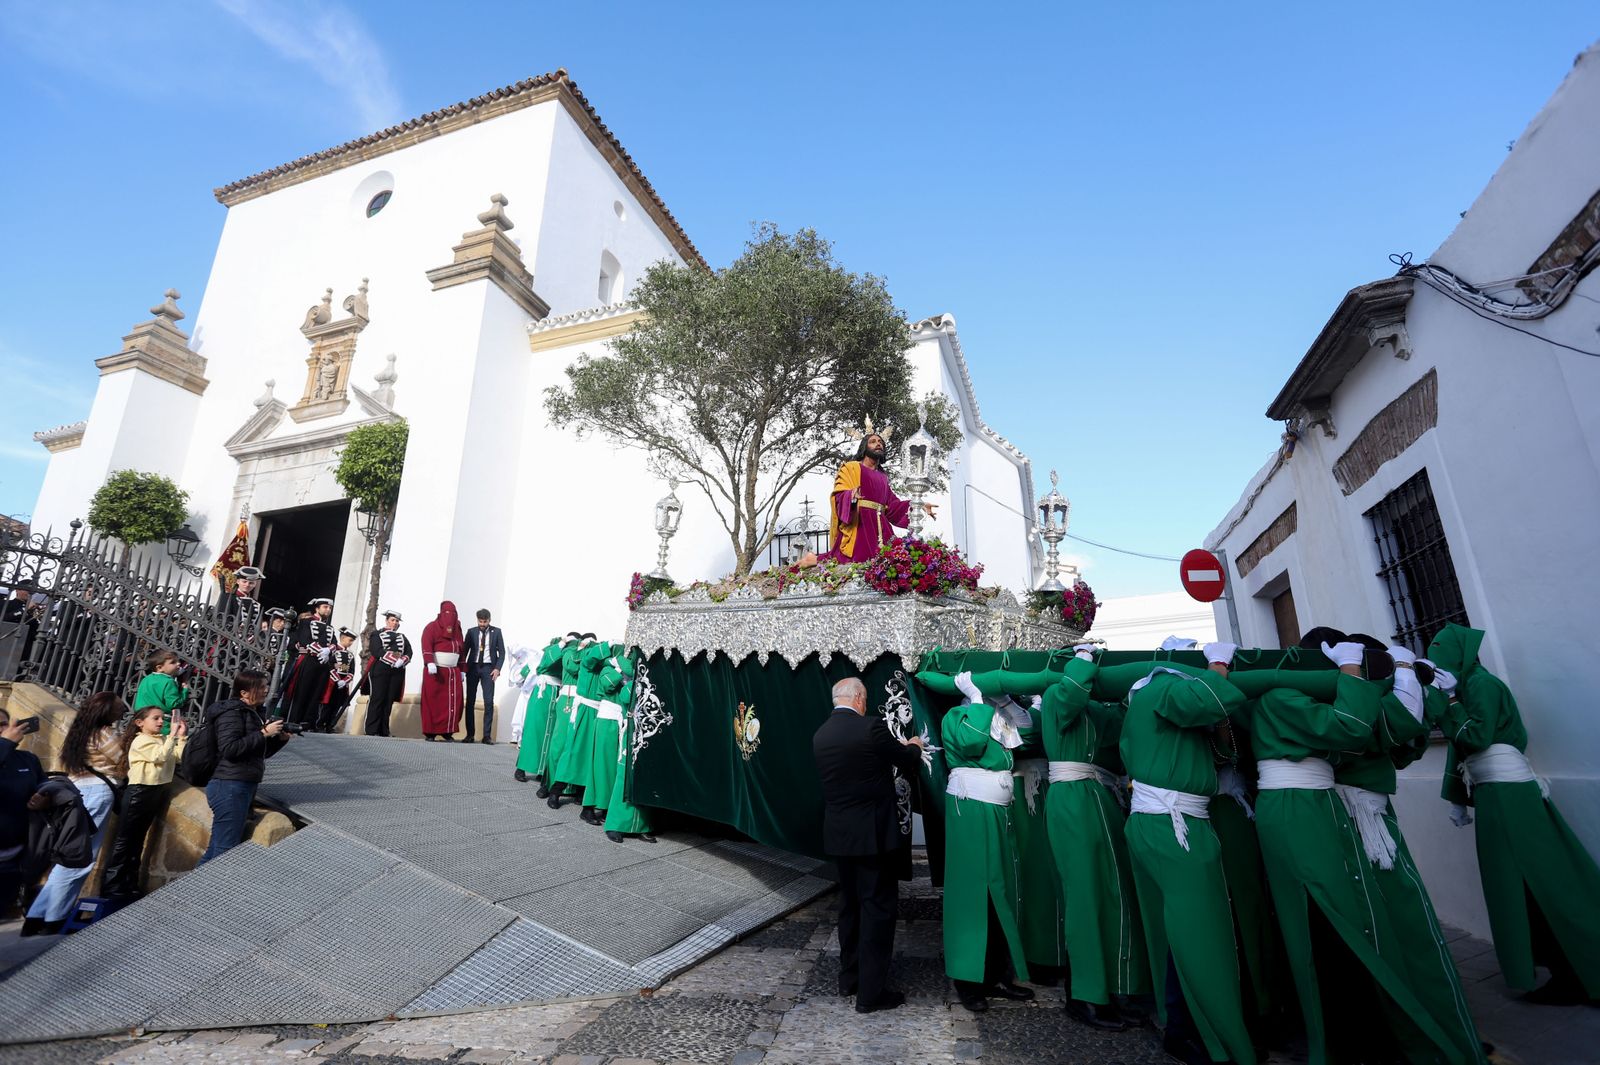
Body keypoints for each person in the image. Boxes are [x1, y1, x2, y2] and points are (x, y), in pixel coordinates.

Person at [1246, 631, 1463, 1065]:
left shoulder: (1329, 696)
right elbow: (1363, 728)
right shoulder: (1298, 698)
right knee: (1353, 927)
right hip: (1327, 812)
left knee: (1363, 926)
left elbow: (1396, 741)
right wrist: (1397, 676)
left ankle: (1390, 1020)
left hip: (1336, 810)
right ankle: (1379, 1027)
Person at [1426, 622, 1600, 1006]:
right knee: (1522, 885)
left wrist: (1451, 703)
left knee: (1541, 884)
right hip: (1497, 793)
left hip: (1507, 795)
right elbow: (1465, 747)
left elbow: (1476, 737)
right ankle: (1566, 969)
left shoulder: (1480, 686)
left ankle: (1580, 970)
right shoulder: (1471, 686)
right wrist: (1456, 793)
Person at [1118, 645, 1255, 1065]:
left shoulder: (1154, 698)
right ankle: (1196, 1031)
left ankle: (1184, 1022)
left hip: (1169, 821)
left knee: (1185, 933)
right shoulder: (1164, 687)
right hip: (1173, 826)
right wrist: (1218, 666)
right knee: (1201, 933)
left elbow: (1222, 750)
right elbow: (1219, 697)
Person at [1039, 646, 1148, 1031]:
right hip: (1071, 799)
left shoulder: (1092, 708)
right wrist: (1083, 659)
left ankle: (1117, 986)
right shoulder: (1057, 697)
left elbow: (1116, 724)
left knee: (1113, 893)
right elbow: (1069, 695)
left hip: (1097, 795)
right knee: (1084, 895)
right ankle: (1085, 995)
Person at [812, 676, 926, 1013]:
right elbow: (903, 758)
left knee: (850, 908)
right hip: (873, 838)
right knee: (877, 910)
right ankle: (871, 995)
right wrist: (916, 744)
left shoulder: (821, 735)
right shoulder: (871, 728)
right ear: (860, 699)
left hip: (839, 836)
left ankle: (849, 980)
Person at [929, 669, 1035, 1013]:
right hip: (971, 810)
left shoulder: (997, 718)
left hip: (998, 812)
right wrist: (976, 699)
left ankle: (999, 974)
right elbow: (972, 742)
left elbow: (1029, 737)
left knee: (1002, 893)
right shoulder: (957, 715)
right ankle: (969, 980)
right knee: (973, 896)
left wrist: (1004, 701)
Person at [20, 692, 127, 936]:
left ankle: (38, 917)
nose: (122, 711)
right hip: (98, 792)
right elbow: (123, 762)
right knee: (79, 859)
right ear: (107, 711)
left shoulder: (79, 732)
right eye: (119, 708)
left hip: (78, 789)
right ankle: (54, 919)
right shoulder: (103, 733)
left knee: (68, 856)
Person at [200, 670, 290, 863]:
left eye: (266, 685)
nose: (267, 690)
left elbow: (257, 753)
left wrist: (279, 740)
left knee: (217, 848)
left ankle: (192, 889)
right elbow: (230, 749)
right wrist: (264, 733)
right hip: (229, 786)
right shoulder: (232, 713)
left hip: (240, 784)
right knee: (224, 851)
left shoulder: (253, 713)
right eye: (262, 687)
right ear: (244, 693)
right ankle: (204, 891)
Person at [101, 705, 187, 901]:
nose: (160, 722)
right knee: (125, 841)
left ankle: (129, 883)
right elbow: (160, 756)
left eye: (162, 719)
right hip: (139, 792)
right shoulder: (141, 740)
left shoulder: (162, 739)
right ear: (140, 723)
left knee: (137, 840)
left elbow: (178, 757)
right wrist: (172, 735)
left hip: (154, 792)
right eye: (155, 718)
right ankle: (111, 885)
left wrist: (180, 737)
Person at [816, 429, 935, 564]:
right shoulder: (851, 468)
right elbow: (839, 494)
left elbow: (893, 506)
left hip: (881, 528)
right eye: (873, 442)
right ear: (864, 447)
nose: (878, 444)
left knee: (893, 562)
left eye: (880, 442)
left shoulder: (883, 477)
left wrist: (918, 504)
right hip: (860, 524)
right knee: (854, 562)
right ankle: (812, 560)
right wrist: (851, 496)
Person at [0, 707, 46, 917]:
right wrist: (5, 744)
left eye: (3, 724)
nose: (3, 730)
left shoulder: (27, 759)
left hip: (13, 858)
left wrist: (43, 797)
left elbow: (42, 785)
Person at [543, 633, 590, 808]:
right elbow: (572, 667)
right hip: (568, 699)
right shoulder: (570, 653)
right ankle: (550, 785)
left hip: (583, 702)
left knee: (577, 747)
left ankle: (574, 788)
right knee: (558, 745)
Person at [281, 597, 336, 728]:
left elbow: (334, 643)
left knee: (316, 692)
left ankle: (308, 722)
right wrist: (320, 651)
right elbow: (305, 640)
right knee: (302, 691)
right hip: (308, 659)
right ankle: (295, 719)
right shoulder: (306, 622)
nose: (328, 610)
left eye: (329, 608)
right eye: (325, 607)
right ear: (317, 608)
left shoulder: (330, 627)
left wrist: (328, 650)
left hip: (323, 663)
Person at [420, 602, 465, 741]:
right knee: (433, 702)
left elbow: (461, 650)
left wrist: (463, 669)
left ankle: (448, 731)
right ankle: (431, 732)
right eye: (447, 613)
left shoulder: (458, 629)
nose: (449, 617)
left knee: (453, 702)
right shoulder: (431, 627)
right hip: (436, 670)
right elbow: (426, 644)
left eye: (452, 613)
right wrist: (430, 662)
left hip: (453, 671)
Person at [363, 609, 411, 737]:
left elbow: (409, 652)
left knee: (389, 700)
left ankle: (384, 730)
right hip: (380, 669)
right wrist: (393, 659)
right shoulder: (376, 634)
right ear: (387, 621)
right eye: (392, 620)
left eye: (396, 621)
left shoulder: (402, 637)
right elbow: (376, 650)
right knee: (377, 699)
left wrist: (402, 661)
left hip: (396, 672)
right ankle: (371, 729)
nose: (395, 623)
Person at [461, 608, 505, 743]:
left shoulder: (496, 632)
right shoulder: (471, 632)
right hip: (473, 667)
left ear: (489, 620)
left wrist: (497, 668)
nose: (482, 624)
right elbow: (464, 651)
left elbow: (502, 653)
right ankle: (470, 734)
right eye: (480, 621)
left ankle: (486, 735)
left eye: (484, 622)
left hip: (488, 668)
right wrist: (463, 669)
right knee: (470, 701)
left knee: (488, 701)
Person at [134, 650, 188, 736]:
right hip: (161, 722)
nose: (178, 664)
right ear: (159, 667)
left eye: (178, 661)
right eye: (173, 662)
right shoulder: (168, 682)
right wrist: (184, 691)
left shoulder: (146, 679)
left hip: (143, 719)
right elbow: (174, 704)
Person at [316, 628, 359, 733]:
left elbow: (351, 671)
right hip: (331, 682)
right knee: (327, 705)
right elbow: (329, 665)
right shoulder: (333, 651)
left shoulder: (350, 655)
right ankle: (320, 724)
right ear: (343, 638)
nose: (351, 643)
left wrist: (345, 681)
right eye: (350, 640)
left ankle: (330, 725)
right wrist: (337, 679)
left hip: (343, 684)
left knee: (337, 705)